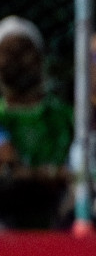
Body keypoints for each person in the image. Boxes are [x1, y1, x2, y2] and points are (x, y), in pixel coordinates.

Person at [0, 16, 72, 229]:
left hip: (57, 217)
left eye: (24, 49)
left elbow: (76, 174)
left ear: (41, 58)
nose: (17, 58)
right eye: (7, 51)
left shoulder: (66, 115)